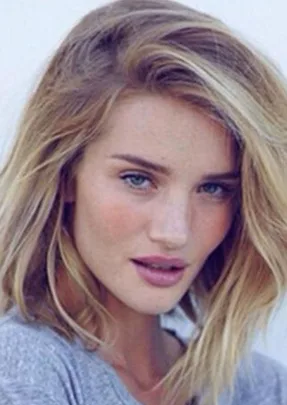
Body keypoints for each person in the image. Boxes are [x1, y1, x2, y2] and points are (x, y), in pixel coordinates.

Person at [0, 0, 287, 404]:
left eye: (214, 189)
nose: (174, 232)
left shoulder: (264, 388)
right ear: (64, 174)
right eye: (138, 179)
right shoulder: (20, 375)